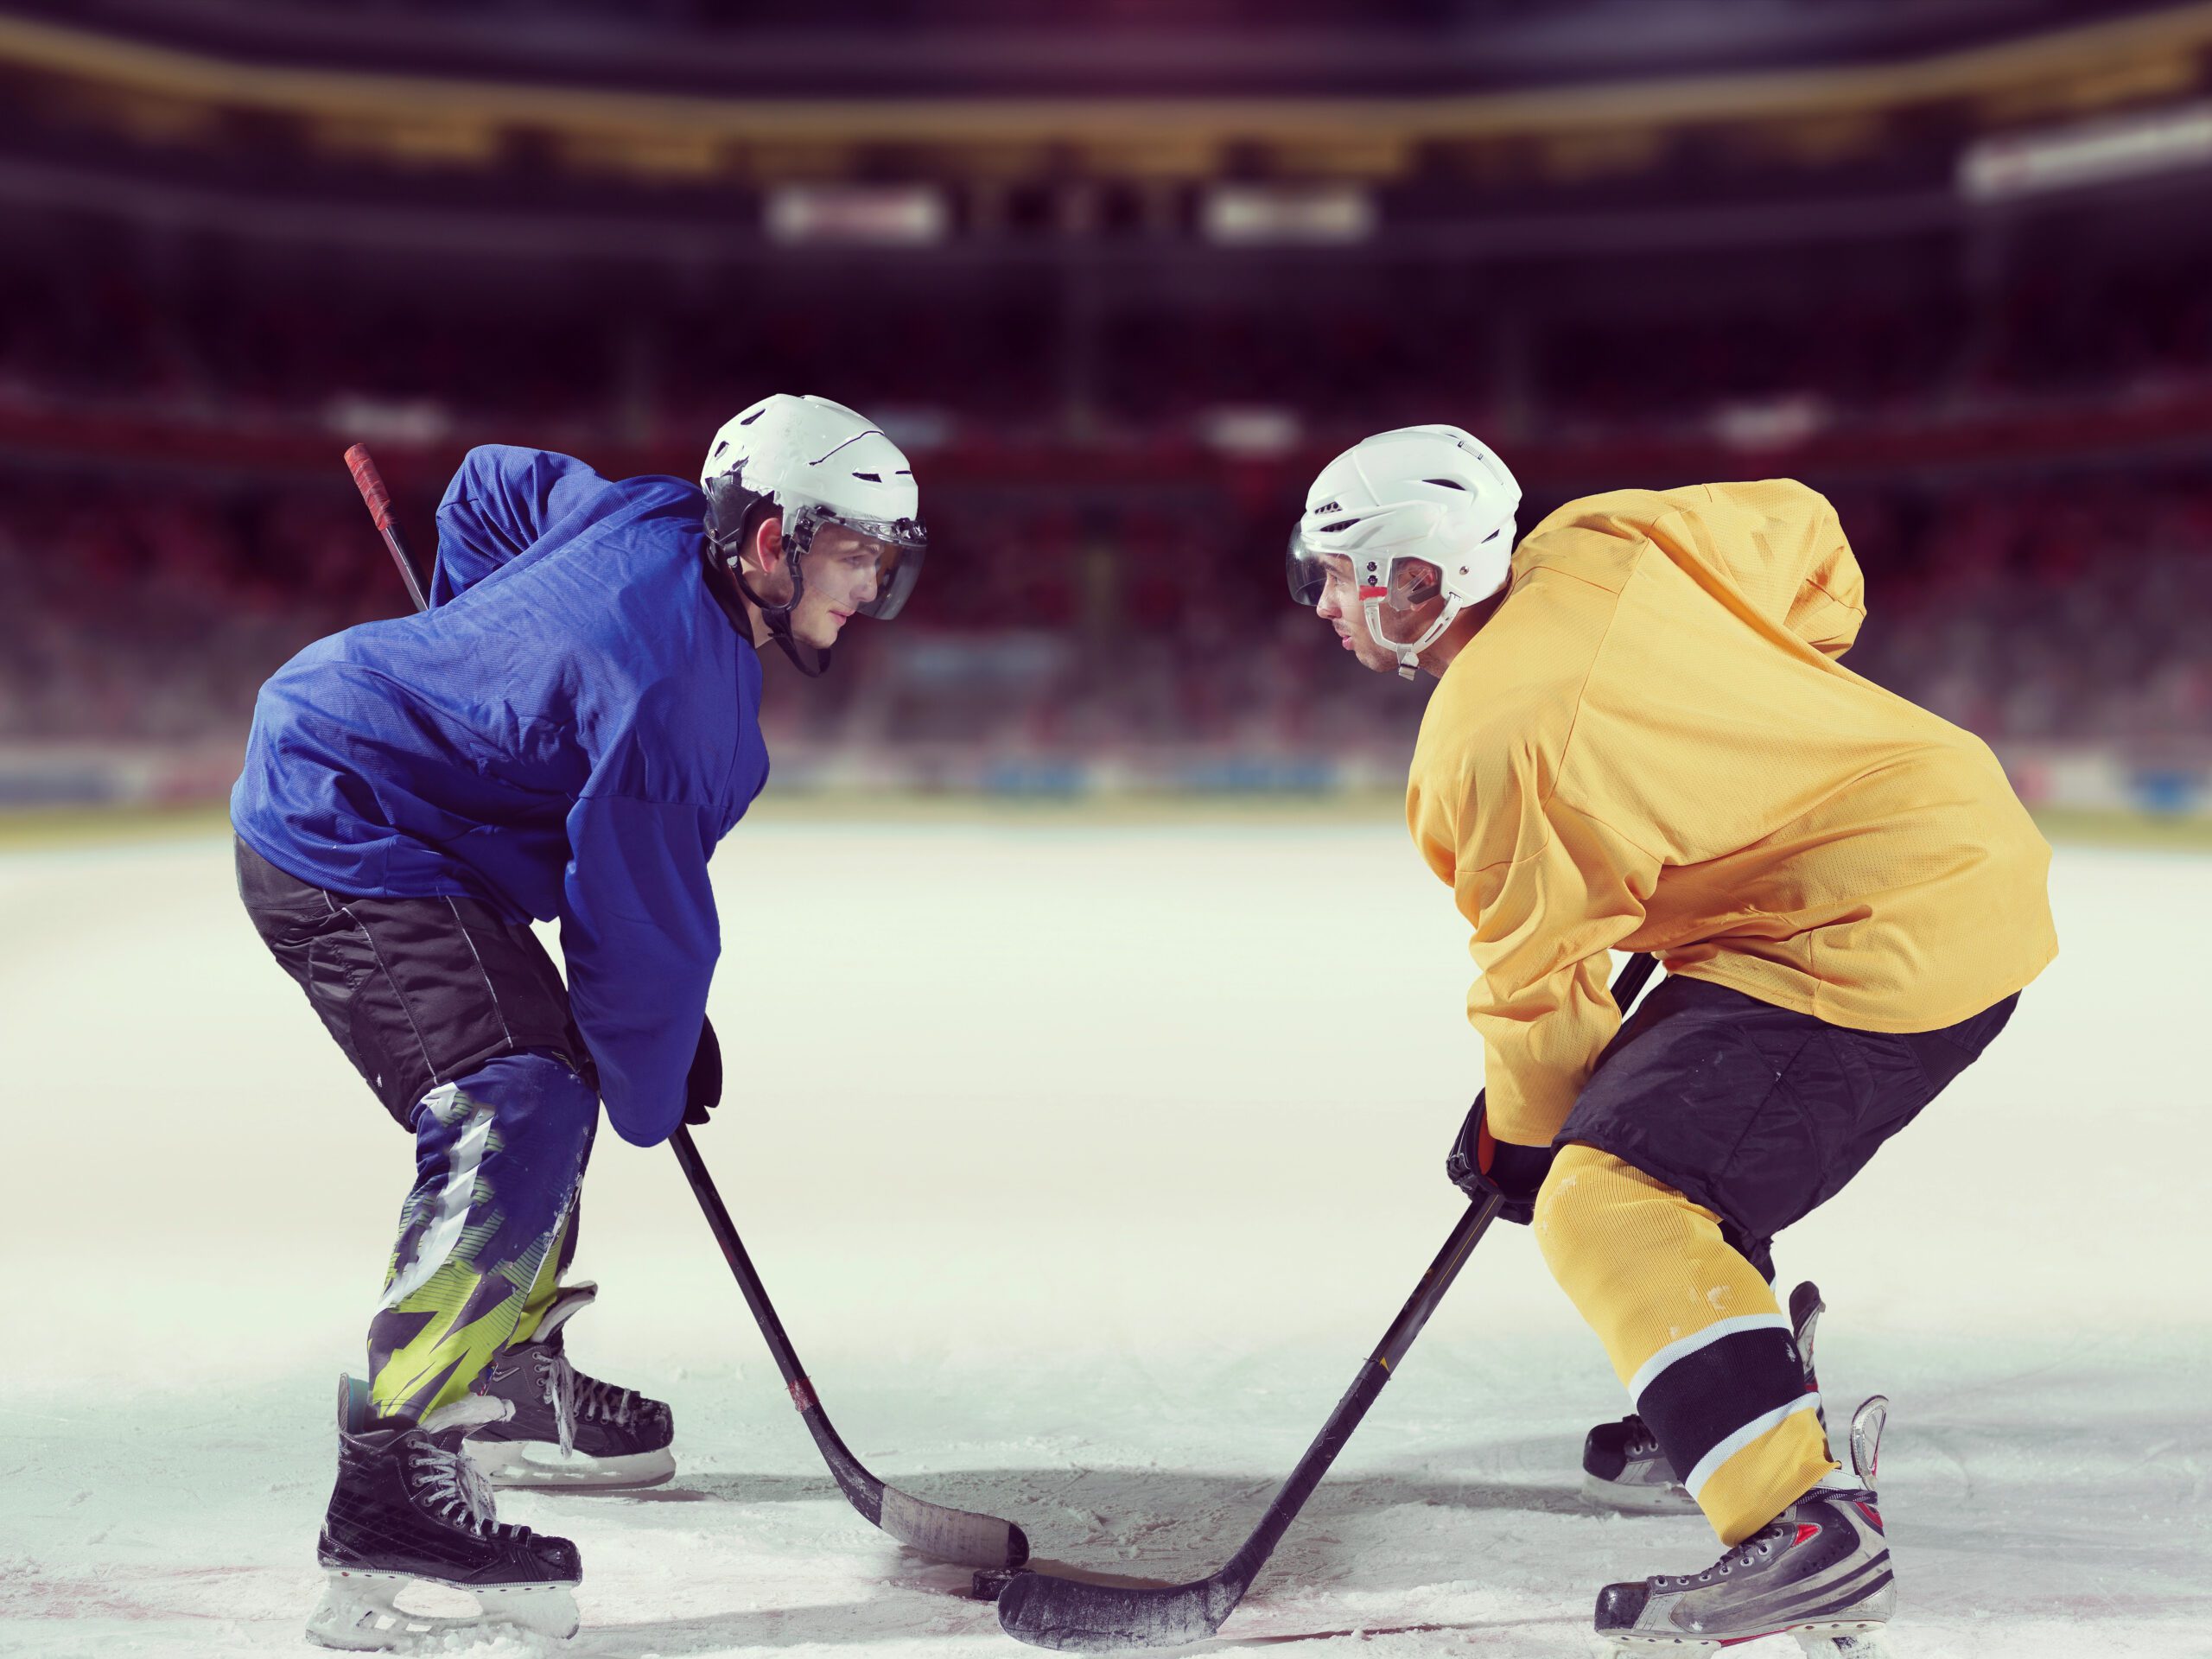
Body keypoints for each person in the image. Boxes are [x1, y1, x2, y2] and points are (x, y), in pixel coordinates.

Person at [1286, 425, 2055, 1656]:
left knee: (1610, 1195)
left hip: (1873, 927)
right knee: (1650, 1120)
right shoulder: (1605, 539)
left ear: (1419, 579)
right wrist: (1737, 719)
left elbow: (1541, 992)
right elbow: (1807, 533)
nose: (1322, 604)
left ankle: (1806, 1524)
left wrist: (1524, 1146)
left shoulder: (1492, 739)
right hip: (1927, 842)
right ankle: (1731, 1393)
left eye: (1337, 576)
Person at [230, 394, 926, 1649]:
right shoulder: (680, 704)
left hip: (393, 796)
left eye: (886, 560)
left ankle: (501, 1373)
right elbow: (639, 938)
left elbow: (490, 487)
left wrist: (480, 647)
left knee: (554, 1065)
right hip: (341, 817)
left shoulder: (650, 516)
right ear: (772, 539)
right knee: (519, 1093)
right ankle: (392, 1482)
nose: (871, 587)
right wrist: (655, 1065)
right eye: (854, 554)